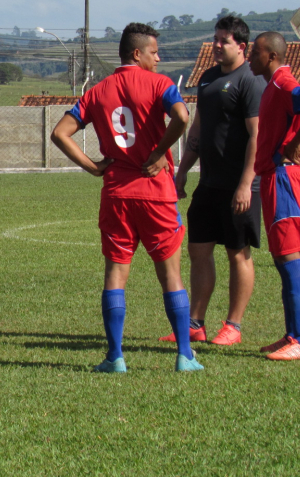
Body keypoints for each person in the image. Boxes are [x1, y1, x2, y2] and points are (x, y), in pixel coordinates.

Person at [51, 22, 202, 373]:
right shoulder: (161, 84)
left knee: (116, 274)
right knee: (170, 275)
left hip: (117, 192)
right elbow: (182, 115)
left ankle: (115, 357)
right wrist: (160, 151)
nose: (158, 58)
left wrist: (93, 167)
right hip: (156, 192)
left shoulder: (98, 91)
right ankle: (184, 356)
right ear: (137, 53)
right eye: (154, 52)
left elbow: (60, 133)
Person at [161, 16, 264, 346]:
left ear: (241, 47)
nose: (217, 45)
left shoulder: (250, 81)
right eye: (216, 39)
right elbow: (198, 130)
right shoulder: (206, 79)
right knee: (198, 250)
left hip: (239, 186)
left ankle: (233, 325)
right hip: (209, 184)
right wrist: (182, 172)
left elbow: (256, 136)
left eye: (224, 41)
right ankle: (195, 323)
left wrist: (246, 184)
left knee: (238, 253)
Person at [248, 31, 300, 361]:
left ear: (271, 56)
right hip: (273, 178)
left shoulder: (282, 83)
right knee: (282, 259)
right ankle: (293, 335)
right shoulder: (273, 87)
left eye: (254, 52)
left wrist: (295, 143)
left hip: (285, 179)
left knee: (290, 257)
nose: (250, 57)